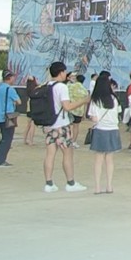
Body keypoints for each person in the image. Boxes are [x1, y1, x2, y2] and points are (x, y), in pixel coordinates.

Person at [41, 61, 90, 193]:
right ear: (61, 72)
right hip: (61, 125)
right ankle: (70, 182)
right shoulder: (61, 87)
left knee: (50, 154)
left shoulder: (46, 85)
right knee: (67, 154)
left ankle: (49, 183)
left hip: (49, 124)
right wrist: (83, 101)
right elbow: (67, 106)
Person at [87, 74, 122, 194]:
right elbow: (117, 113)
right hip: (113, 129)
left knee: (98, 159)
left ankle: (97, 187)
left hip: (100, 130)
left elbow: (94, 118)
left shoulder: (95, 100)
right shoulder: (114, 99)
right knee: (109, 159)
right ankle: (109, 186)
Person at [0, 70, 21, 167]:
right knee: (8, 139)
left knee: (3, 138)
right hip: (9, 116)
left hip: (0, 115)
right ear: (10, 78)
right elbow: (19, 101)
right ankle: (1, 160)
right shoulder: (10, 89)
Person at [67, 74, 89, 148]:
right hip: (79, 111)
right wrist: (84, 114)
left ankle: (67, 140)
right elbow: (86, 103)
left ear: (76, 79)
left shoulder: (70, 86)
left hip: (69, 109)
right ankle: (74, 141)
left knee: (68, 126)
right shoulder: (85, 90)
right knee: (76, 126)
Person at [22, 77, 39, 145]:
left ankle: (24, 139)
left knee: (28, 125)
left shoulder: (27, 89)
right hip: (34, 107)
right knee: (33, 125)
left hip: (29, 108)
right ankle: (31, 141)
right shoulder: (35, 89)